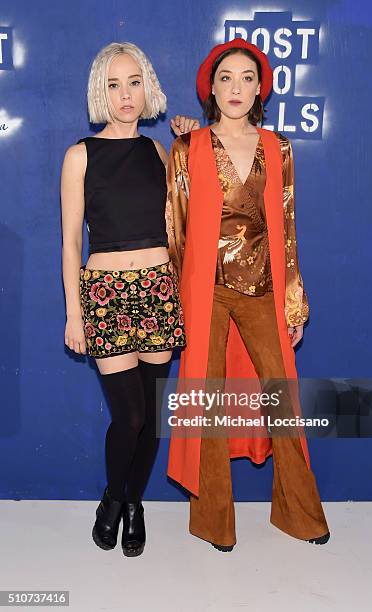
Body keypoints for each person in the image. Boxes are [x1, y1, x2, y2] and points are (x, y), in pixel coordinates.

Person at [165, 38, 330, 551]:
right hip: (205, 292)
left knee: (283, 401)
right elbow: (176, 232)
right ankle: (214, 522)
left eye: (246, 78)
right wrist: (174, 307)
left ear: (261, 88)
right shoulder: (187, 148)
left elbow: (287, 225)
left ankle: (299, 514)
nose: (235, 88)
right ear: (210, 88)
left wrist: (293, 300)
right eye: (225, 78)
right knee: (209, 404)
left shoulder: (278, 146)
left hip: (262, 289)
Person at [60, 41, 198, 557]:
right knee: (131, 418)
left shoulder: (159, 152)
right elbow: (71, 241)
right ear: (101, 90)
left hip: (159, 292)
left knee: (152, 418)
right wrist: (75, 313)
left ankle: (132, 503)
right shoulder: (80, 155)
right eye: (114, 84)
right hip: (107, 294)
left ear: (148, 88)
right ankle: (113, 500)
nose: (125, 94)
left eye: (134, 82)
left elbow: (188, 209)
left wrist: (190, 142)